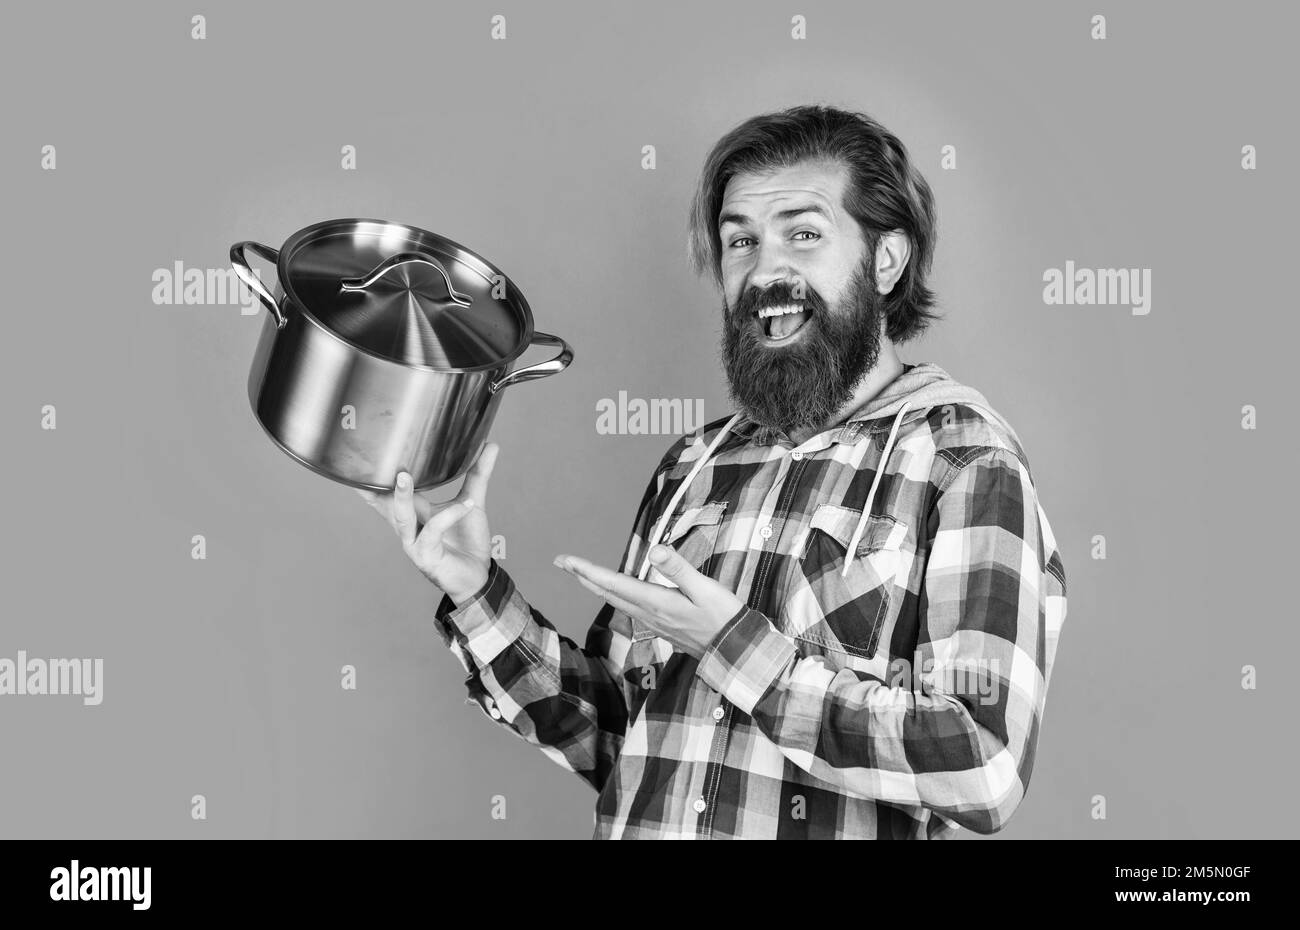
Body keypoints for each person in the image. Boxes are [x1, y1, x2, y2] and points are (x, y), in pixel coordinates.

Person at [358, 104, 1068, 839]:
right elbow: (618, 738)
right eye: (741, 242)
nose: (766, 271)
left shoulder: (964, 460)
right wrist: (474, 591)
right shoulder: (696, 466)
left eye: (804, 233)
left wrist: (737, 648)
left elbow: (982, 765)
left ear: (885, 261)